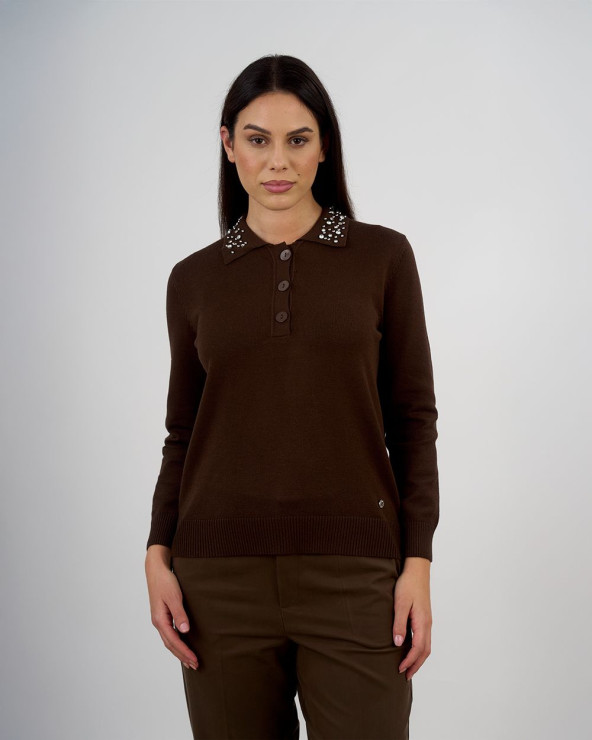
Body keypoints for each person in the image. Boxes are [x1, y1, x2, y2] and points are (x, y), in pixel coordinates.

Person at [145, 53, 439, 740]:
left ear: (324, 146)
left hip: (355, 574)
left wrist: (417, 562)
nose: (277, 161)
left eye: (298, 139)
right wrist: (157, 549)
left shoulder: (382, 257)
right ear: (228, 145)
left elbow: (412, 420)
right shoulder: (193, 280)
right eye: (258, 139)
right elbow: (183, 432)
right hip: (217, 581)